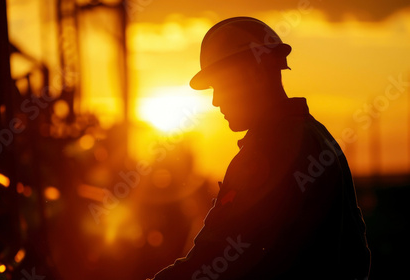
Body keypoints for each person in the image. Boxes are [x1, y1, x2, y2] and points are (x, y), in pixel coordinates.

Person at [149, 17, 370, 279]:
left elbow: (216, 260)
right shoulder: (316, 136)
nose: (216, 101)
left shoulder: (271, 150)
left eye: (222, 85)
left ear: (255, 74)